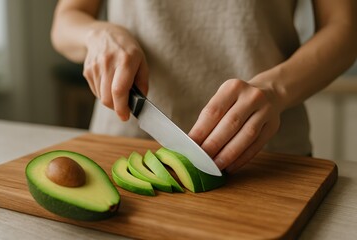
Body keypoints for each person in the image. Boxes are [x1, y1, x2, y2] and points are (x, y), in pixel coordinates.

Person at [51, 0, 357, 175]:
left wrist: (275, 90)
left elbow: (345, 30)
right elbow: (66, 20)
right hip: (124, 146)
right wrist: (97, 35)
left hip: (268, 158)